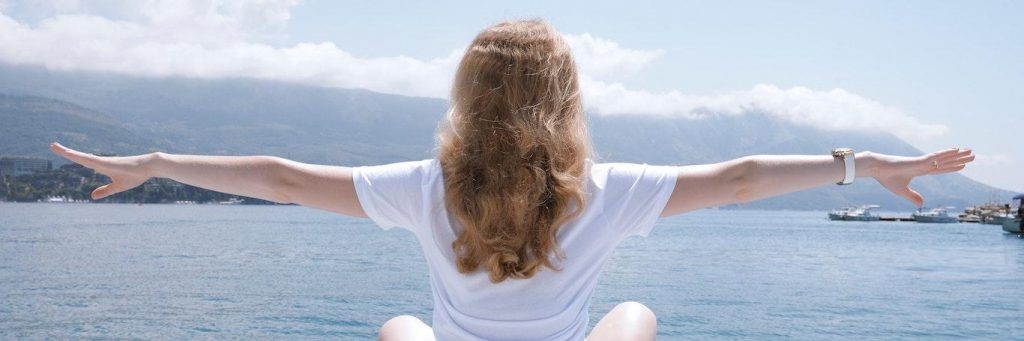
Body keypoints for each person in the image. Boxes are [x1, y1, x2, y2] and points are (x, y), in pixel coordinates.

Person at [49, 20, 976, 341]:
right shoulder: (604, 190)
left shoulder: (422, 184)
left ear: (466, 96)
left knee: (395, 324)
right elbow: (736, 178)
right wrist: (865, 162)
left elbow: (285, 177)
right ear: (568, 101)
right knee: (638, 313)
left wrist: (161, 161)